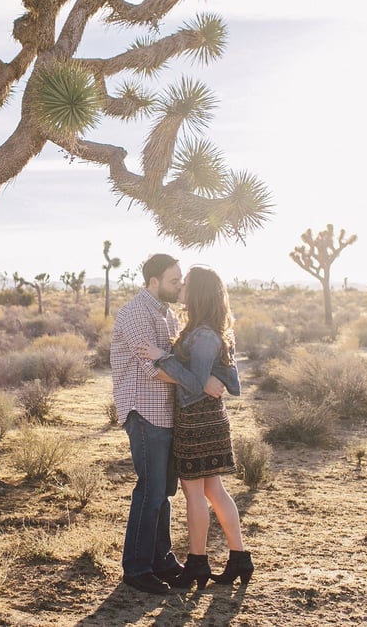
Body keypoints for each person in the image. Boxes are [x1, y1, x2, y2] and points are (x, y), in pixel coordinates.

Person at [110, 254, 226, 595]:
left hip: (168, 413)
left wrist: (195, 375)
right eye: (174, 281)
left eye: (181, 281)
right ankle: (137, 568)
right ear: (154, 282)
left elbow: (175, 362)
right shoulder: (135, 314)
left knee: (165, 492)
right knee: (150, 490)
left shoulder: (169, 315)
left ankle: (161, 560)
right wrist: (201, 382)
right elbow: (154, 369)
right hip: (144, 412)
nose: (179, 286)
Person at [137, 265, 255, 590]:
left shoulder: (203, 334)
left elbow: (193, 383)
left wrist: (162, 356)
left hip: (198, 421)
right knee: (212, 490)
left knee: (195, 493)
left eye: (186, 282)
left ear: (199, 290)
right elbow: (208, 379)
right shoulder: (201, 328)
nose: (181, 286)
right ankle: (239, 558)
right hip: (203, 417)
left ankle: (197, 564)